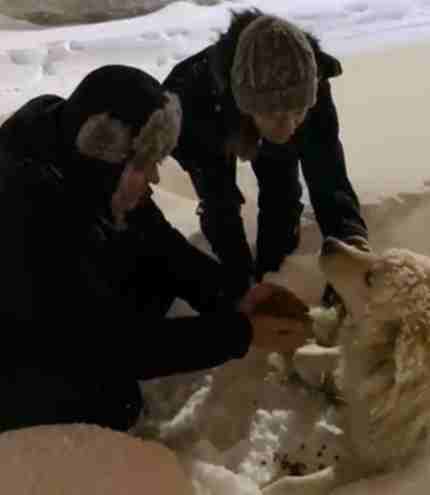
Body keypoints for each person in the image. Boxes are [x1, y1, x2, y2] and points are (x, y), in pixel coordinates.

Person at [0, 64, 310, 434]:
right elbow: (110, 345)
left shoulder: (87, 161)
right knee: (111, 401)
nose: (155, 179)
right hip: (17, 344)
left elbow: (162, 245)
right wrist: (239, 334)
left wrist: (237, 294)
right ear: (106, 155)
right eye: (144, 166)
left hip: (69, 296)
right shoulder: (28, 206)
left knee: (153, 273)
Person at [163, 8, 370, 304]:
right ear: (248, 105)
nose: (287, 126)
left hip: (251, 113)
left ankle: (275, 272)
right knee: (224, 212)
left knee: (281, 191)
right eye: (274, 113)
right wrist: (241, 287)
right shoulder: (192, 103)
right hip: (212, 113)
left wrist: (351, 249)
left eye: (297, 112)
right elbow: (220, 206)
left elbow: (329, 179)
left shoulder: (309, 81)